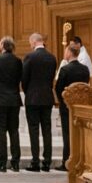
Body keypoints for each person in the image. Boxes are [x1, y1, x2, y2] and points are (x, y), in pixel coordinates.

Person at [22, 33, 57, 172]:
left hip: (33, 97)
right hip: (47, 97)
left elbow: (24, 79)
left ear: (33, 42)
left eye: (30, 43)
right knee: (47, 130)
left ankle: (35, 161)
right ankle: (47, 162)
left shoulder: (30, 57)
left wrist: (28, 91)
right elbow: (52, 77)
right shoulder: (52, 57)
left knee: (34, 129)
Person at [0, 36, 23, 172]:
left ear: (2, 46)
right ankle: (15, 162)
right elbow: (20, 77)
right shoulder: (18, 61)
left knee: (0, 131)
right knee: (14, 130)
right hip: (14, 99)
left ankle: (1, 162)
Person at [54, 42, 90, 170]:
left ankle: (67, 161)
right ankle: (81, 160)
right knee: (79, 132)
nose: (64, 54)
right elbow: (85, 87)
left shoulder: (65, 69)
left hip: (67, 106)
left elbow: (58, 88)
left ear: (69, 53)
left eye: (65, 51)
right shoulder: (85, 69)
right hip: (81, 106)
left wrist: (62, 101)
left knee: (67, 133)